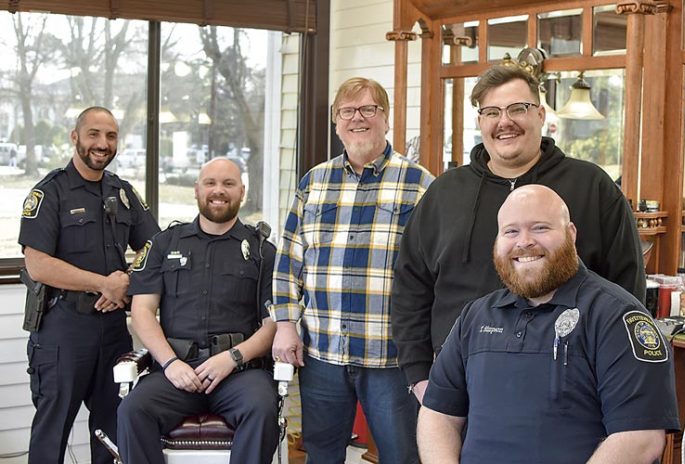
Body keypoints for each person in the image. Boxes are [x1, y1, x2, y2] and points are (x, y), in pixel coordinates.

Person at [392, 64, 646, 403]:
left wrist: (613, 376)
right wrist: (420, 376)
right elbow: (410, 287)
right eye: (492, 112)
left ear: (540, 115)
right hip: (457, 386)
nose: (504, 121)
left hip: (569, 387)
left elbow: (627, 288)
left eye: (518, 109)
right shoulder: (444, 192)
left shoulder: (592, 187)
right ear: (480, 121)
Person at [417, 184, 679, 464]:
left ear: (571, 235)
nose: (524, 242)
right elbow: (438, 415)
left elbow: (640, 439)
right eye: (511, 231)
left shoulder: (617, 317)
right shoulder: (475, 317)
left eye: (540, 228)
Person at [271, 77, 435, 463]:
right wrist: (284, 324)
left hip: (391, 356)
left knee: (402, 456)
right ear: (336, 122)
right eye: (347, 111)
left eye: (368, 109)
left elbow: (434, 273)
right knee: (323, 454)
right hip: (323, 352)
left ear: (386, 118)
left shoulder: (420, 184)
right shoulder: (314, 182)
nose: (357, 118)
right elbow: (288, 261)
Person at [18, 106, 160, 464]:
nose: (102, 143)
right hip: (63, 330)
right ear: (75, 137)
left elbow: (154, 247)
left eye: (110, 136)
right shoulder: (51, 193)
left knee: (113, 432)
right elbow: (37, 265)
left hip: (112, 331)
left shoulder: (123, 192)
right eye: (94, 134)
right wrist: (102, 284)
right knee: (52, 433)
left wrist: (126, 281)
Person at [117, 157, 279, 464]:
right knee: (132, 410)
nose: (219, 191)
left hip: (239, 373)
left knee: (262, 409)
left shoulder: (261, 251)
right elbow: (142, 311)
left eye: (228, 184)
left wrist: (232, 358)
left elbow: (273, 324)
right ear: (196, 190)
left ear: (242, 191)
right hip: (177, 370)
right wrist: (170, 363)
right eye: (210, 183)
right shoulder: (164, 244)